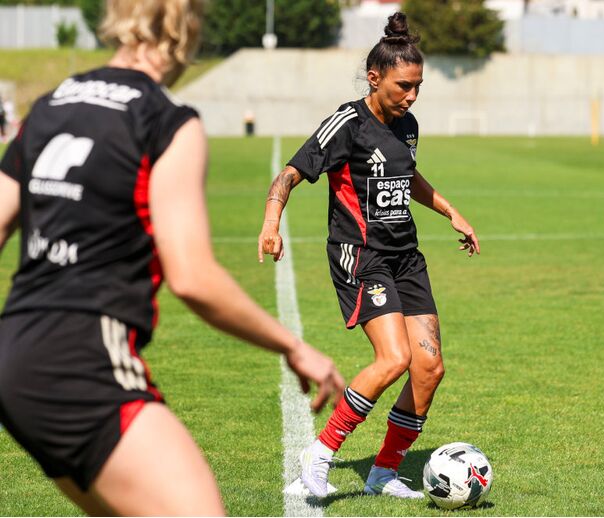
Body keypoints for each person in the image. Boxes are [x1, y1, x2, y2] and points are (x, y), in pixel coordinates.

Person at [0, 0, 345, 515]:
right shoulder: (166, 121)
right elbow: (193, 278)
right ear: (185, 29)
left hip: (13, 354)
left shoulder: (49, 105)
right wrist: (292, 346)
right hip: (85, 359)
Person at [257, 12, 480, 500]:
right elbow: (291, 173)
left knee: (429, 368)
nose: (412, 96)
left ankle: (383, 472)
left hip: (407, 257)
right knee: (395, 357)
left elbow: (407, 177)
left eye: (418, 86)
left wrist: (450, 211)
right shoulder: (347, 123)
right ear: (374, 78)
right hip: (361, 256)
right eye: (404, 86)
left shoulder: (408, 125)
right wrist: (272, 222)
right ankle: (319, 454)